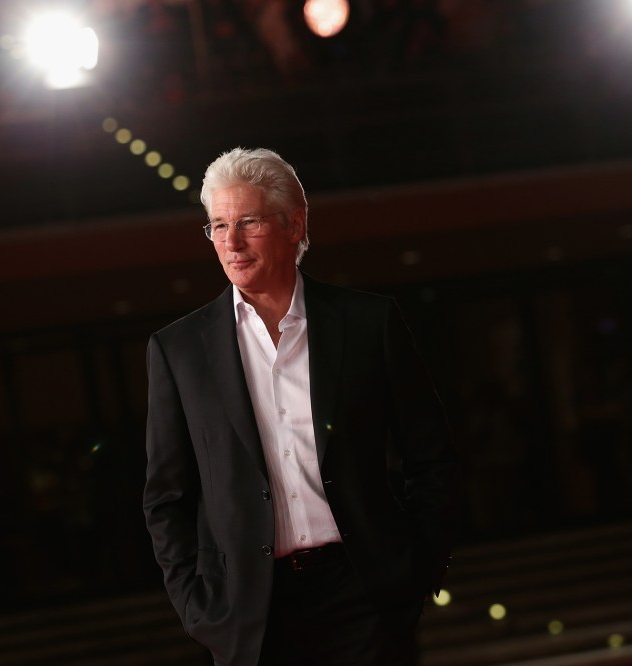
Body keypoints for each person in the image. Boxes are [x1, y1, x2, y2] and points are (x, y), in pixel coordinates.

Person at [143, 147, 459, 666]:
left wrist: (418, 570)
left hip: (365, 596)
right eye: (218, 226)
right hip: (250, 613)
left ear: (294, 225)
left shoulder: (367, 324)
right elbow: (166, 498)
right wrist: (199, 610)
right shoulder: (177, 351)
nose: (232, 242)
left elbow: (432, 459)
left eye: (248, 221)